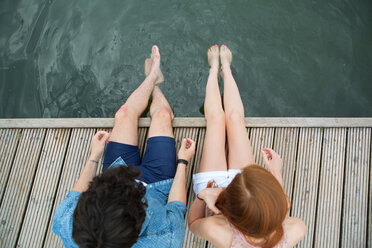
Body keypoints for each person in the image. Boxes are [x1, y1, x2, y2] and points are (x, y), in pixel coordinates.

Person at [52, 45, 196, 248]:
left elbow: (76, 194)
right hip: (157, 186)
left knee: (124, 114)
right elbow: (175, 207)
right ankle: (155, 83)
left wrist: (94, 156)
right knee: (163, 115)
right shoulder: (166, 239)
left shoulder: (67, 223)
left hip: (115, 173)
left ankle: (153, 76)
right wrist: (182, 161)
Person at [188, 45, 306, 248]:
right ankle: (226, 70)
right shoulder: (295, 229)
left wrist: (203, 196)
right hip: (240, 198)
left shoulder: (220, 232)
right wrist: (276, 173)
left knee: (216, 119)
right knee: (234, 118)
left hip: (211, 192)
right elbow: (281, 205)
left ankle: (214, 68)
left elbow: (193, 225)